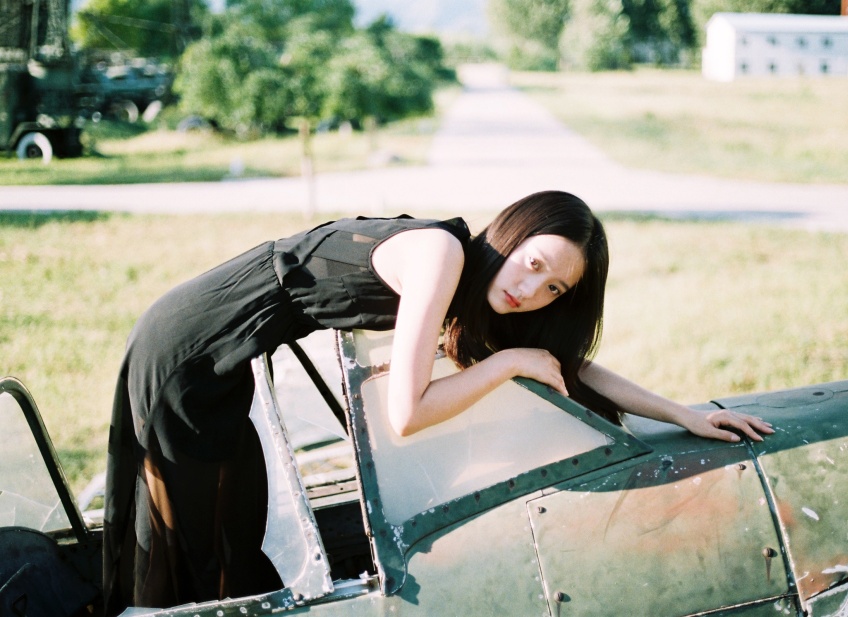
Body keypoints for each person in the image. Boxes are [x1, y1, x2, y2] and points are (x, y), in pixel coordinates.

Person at [103, 190, 773, 612]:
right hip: (188, 351)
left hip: (223, 355)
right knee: (195, 547)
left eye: (554, 290)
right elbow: (408, 414)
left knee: (231, 527)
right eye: (534, 263)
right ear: (512, 232)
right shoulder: (442, 256)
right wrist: (507, 363)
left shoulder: (476, 283)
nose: (532, 291)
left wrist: (684, 414)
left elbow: (571, 367)